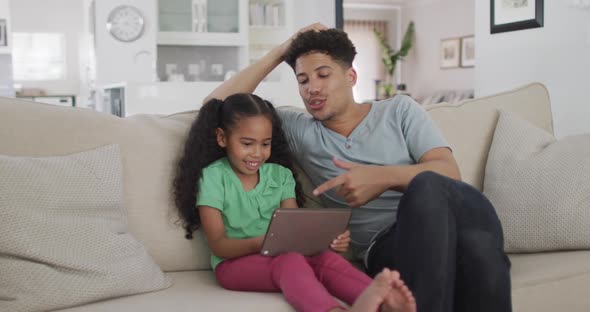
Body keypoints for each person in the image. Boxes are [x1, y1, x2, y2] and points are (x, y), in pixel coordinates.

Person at [203, 24, 512, 312]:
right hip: (387, 245)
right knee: (477, 249)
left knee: (449, 211)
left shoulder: (399, 110)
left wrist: (383, 178)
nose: (312, 88)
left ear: (351, 76)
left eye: (323, 75)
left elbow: (448, 172)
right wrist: (281, 52)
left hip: (447, 223)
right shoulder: (300, 130)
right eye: (303, 80)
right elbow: (215, 108)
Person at [173, 93, 416, 312]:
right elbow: (219, 246)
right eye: (247, 144)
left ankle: (383, 303)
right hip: (233, 265)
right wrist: (263, 243)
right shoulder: (214, 177)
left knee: (325, 259)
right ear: (222, 138)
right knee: (289, 261)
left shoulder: (280, 175)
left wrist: (329, 241)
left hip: (284, 253)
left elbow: (294, 231)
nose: (257, 153)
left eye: (265, 144)